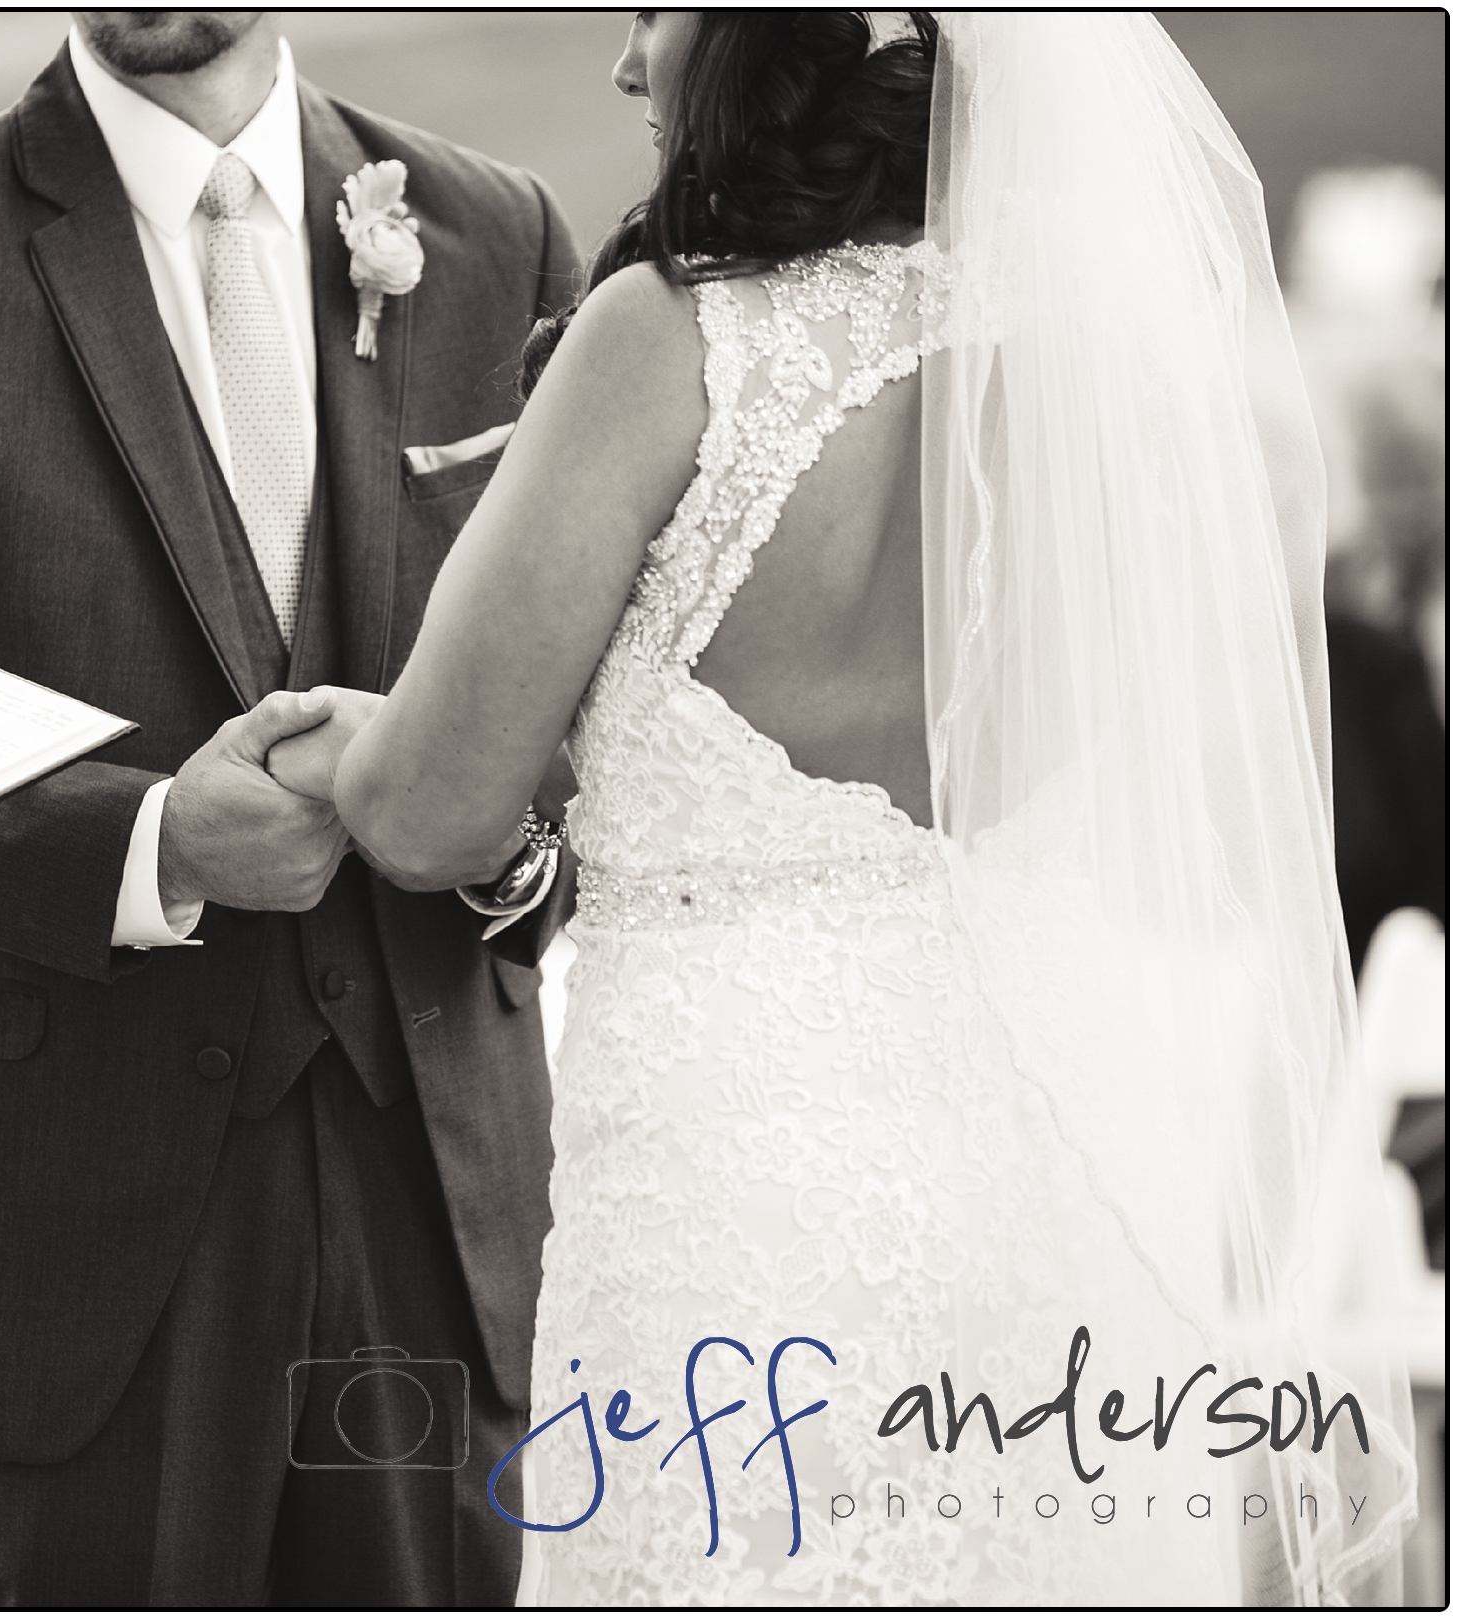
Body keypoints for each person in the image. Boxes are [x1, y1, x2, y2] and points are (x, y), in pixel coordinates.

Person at [292, 12, 1410, 1602]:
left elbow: (425, 810)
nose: (629, 71)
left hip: (743, 1214)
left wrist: (360, 741)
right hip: (1055, 1199)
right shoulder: (1108, 382)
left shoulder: (667, 340)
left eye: (653, 17)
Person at [0, 12, 572, 1604]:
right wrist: (148, 844)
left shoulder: (494, 236)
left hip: (434, 1206)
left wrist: (502, 832)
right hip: (63, 1243)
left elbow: (599, 703)